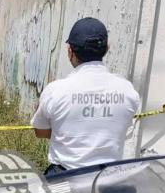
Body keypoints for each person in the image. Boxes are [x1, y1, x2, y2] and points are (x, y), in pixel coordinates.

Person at [31, 17, 140, 176]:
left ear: (70, 51)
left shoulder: (55, 91)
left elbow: (40, 132)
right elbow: (123, 128)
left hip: (64, 177)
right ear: (107, 48)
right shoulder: (128, 91)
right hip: (109, 180)